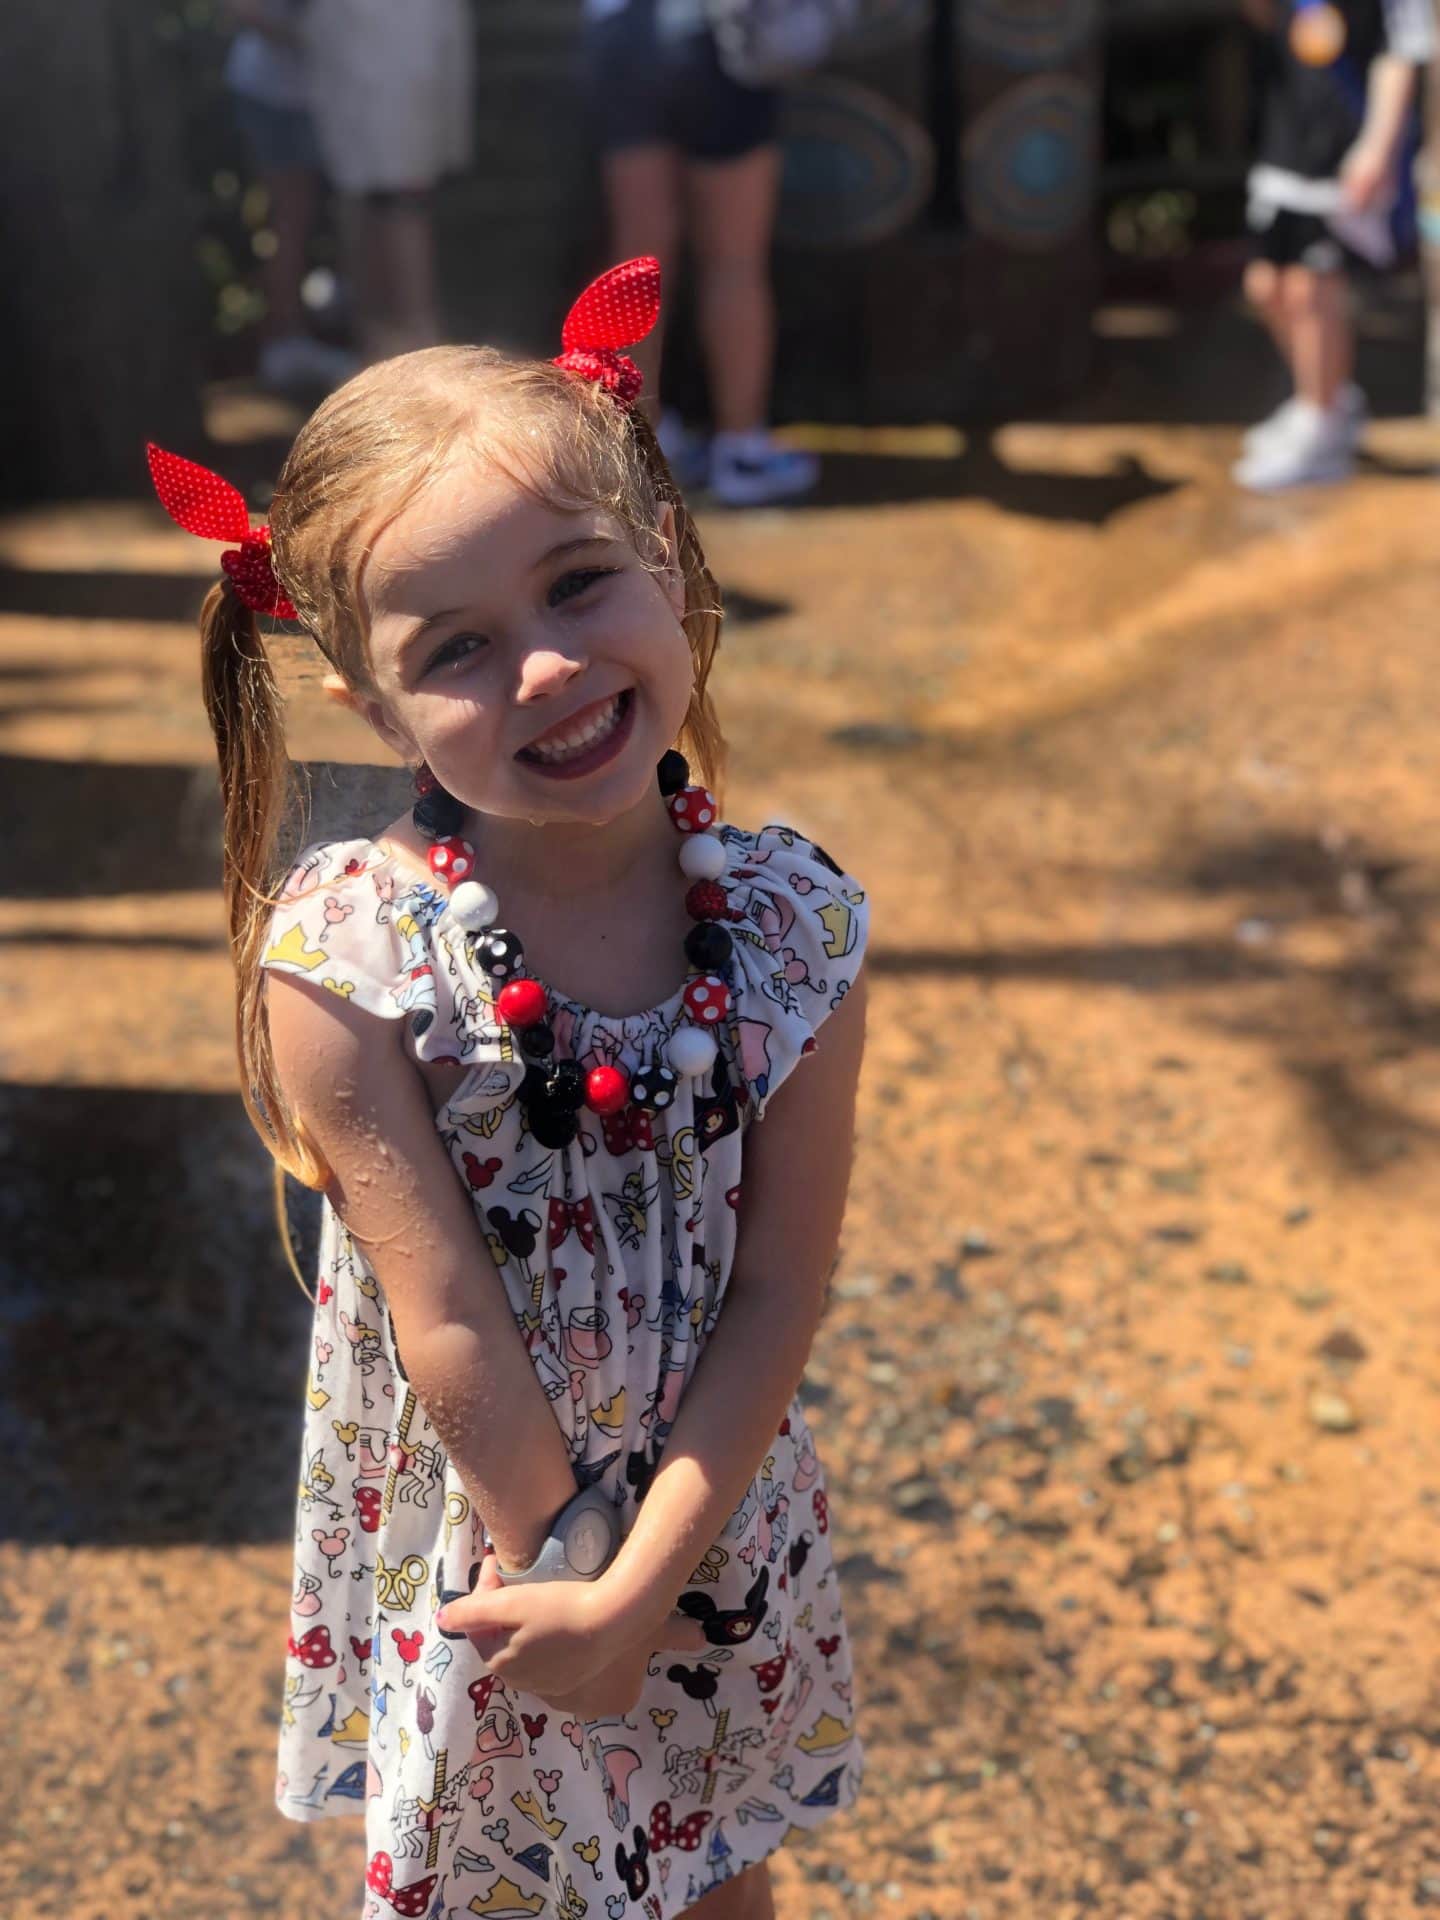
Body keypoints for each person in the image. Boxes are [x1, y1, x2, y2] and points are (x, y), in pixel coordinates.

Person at [146, 257, 867, 1920]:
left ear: (665, 560)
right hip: (498, 1527)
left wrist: (657, 1579)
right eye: (459, 644)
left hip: (707, 1493)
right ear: (366, 697)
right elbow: (444, 1310)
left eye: (577, 585)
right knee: (504, 1878)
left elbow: (782, 1285)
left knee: (708, 1864)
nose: (543, 668)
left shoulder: (786, 920)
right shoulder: (354, 954)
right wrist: (574, 1583)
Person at [583, 0, 819, 506]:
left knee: (637, 265)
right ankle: (741, 448)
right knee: (734, 260)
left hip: (620, 34)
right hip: (716, 37)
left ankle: (640, 443)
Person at [1235, 0, 1435, 491]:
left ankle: (1322, 428)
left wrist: (1378, 145)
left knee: (1311, 289)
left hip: (1342, 145)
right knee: (1265, 287)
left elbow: (1402, 53)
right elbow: (1266, 20)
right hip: (1286, 141)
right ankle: (1324, 400)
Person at [302, 0, 475, 360]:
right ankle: (389, 351)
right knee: (373, 201)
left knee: (401, 199)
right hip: (366, 55)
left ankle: (417, 348)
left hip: (402, 57)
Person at [223, 0, 358, 391]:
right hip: (276, 95)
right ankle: (285, 341)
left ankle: (315, 325)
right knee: (290, 215)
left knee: (339, 209)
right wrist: (317, 39)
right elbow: (242, 10)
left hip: (323, 94)